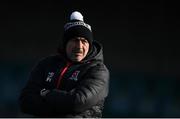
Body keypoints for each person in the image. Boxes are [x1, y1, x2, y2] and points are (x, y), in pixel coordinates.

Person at [19, 11, 110, 118]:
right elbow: (25, 101)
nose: (79, 46)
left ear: (89, 45)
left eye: (84, 41)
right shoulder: (46, 64)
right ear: (65, 43)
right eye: (75, 40)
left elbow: (77, 102)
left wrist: (46, 94)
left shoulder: (98, 70)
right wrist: (61, 106)